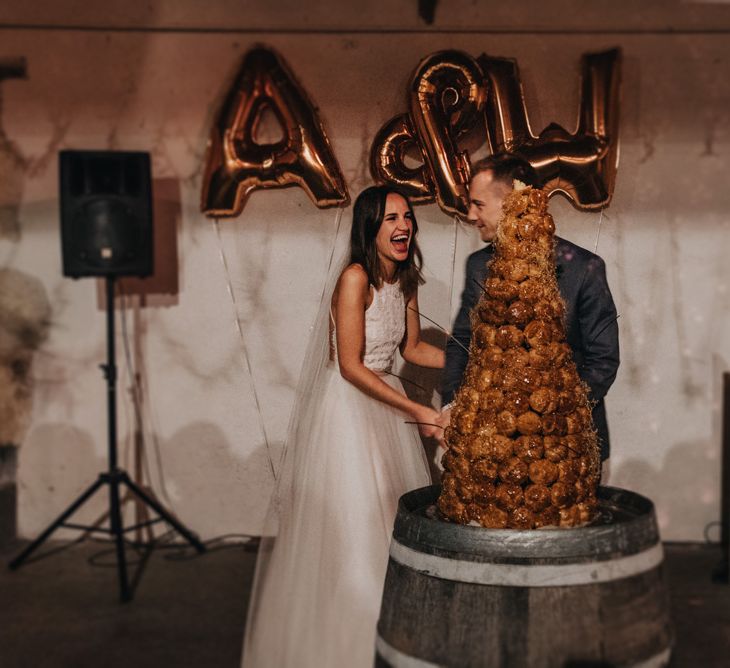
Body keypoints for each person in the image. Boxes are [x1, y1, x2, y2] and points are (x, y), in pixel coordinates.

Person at [242, 186, 444, 667]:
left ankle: (396, 634)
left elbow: (412, 351)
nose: (403, 227)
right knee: (356, 523)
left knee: (390, 518)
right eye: (391, 218)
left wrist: (473, 362)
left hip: (386, 403)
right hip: (351, 409)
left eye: (408, 217)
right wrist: (416, 409)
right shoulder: (356, 279)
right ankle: (347, 642)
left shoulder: (407, 280)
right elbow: (351, 366)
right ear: (369, 227)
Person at [439, 153, 620, 471]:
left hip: (565, 450)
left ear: (513, 202)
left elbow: (602, 361)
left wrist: (551, 416)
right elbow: (462, 343)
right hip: (492, 451)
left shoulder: (584, 268)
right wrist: (453, 405)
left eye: (478, 204)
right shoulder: (479, 266)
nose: (470, 215)